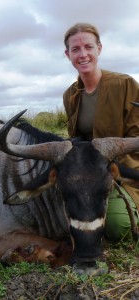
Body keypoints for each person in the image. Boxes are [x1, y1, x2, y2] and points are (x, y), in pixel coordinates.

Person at [63, 23, 139, 241]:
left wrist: (107, 172)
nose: (83, 54)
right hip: (87, 173)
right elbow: (76, 141)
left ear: (99, 49)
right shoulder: (70, 95)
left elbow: (136, 141)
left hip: (122, 172)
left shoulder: (125, 84)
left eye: (88, 47)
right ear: (68, 54)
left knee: (118, 227)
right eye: (76, 49)